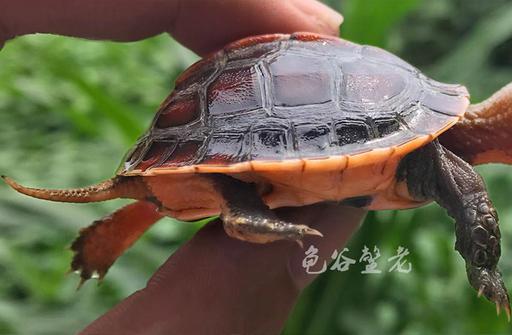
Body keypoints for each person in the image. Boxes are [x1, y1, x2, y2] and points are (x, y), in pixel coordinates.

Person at [0, 1, 366, 333]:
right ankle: (242, 213)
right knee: (218, 177)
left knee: (168, 194)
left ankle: (222, 205)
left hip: (191, 170)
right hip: (230, 164)